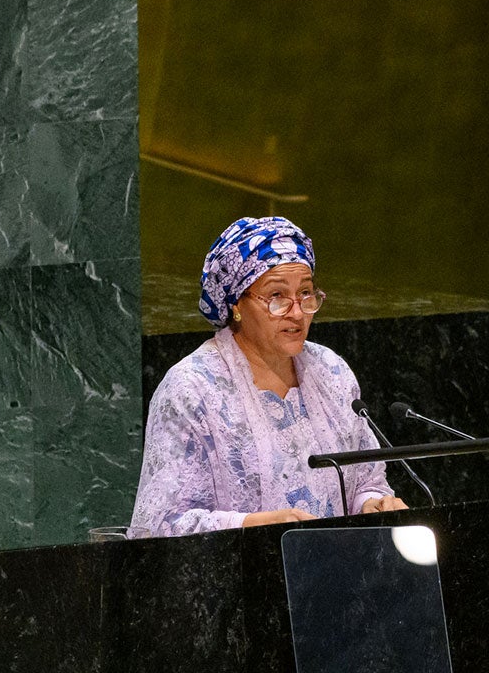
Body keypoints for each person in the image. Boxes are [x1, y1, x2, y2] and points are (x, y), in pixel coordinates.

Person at [131, 216, 407, 537]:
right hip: (239, 579)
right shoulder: (191, 389)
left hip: (335, 572)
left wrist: (372, 503)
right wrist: (252, 526)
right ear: (236, 305)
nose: (297, 311)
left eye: (306, 293)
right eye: (277, 297)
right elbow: (157, 527)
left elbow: (366, 481)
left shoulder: (331, 371)